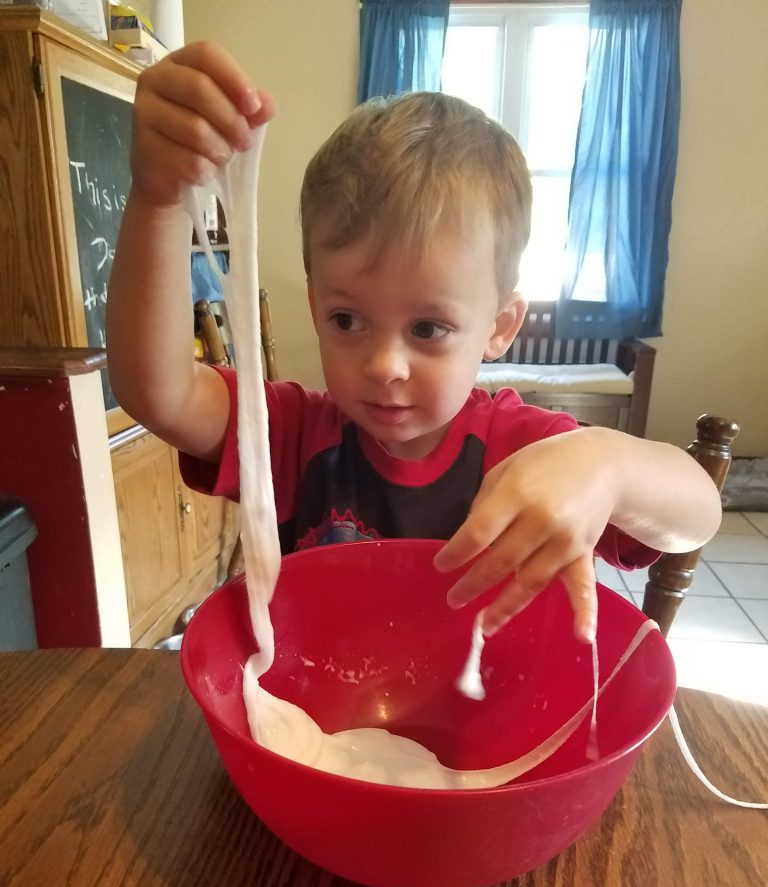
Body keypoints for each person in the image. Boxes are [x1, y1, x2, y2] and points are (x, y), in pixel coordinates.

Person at [106, 41, 722, 646]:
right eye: (347, 320)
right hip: (324, 726)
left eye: (428, 329)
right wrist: (159, 201)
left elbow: (697, 515)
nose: (384, 366)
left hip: (489, 731)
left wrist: (607, 466)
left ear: (500, 326)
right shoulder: (291, 436)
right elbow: (159, 392)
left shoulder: (525, 452)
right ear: (316, 303)